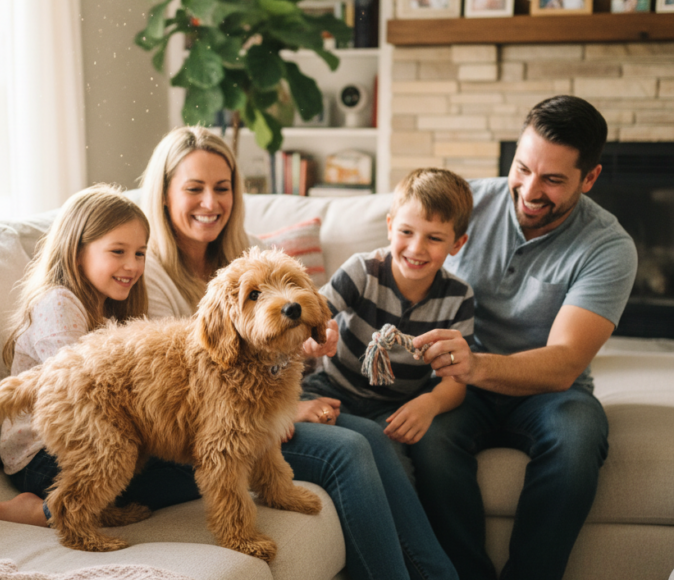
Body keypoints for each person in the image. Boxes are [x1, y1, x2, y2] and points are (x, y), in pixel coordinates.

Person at [140, 126, 458, 580]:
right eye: (194, 188)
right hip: (208, 429)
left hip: (268, 400)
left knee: (372, 436)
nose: (211, 202)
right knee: (349, 450)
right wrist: (290, 409)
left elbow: (283, 337)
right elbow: (178, 382)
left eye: (222, 188)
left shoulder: (243, 251)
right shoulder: (147, 270)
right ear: (164, 194)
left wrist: (310, 347)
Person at [408, 95, 638, 580]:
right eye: (523, 168)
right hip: (459, 387)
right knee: (428, 437)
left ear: (590, 178)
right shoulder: (466, 205)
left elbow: (564, 362)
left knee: (577, 437)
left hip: (549, 393)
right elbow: (397, 263)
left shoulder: (609, 247)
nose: (530, 191)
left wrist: (476, 364)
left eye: (553, 179)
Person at [0, 183, 154, 526]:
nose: (132, 265)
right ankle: (44, 510)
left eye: (140, 253)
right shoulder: (58, 303)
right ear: (76, 251)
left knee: (199, 458)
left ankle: (88, 506)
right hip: (42, 455)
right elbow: (81, 393)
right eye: (118, 251)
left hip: (101, 441)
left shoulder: (111, 309)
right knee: (192, 471)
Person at [302, 168, 474, 485]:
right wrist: (316, 336)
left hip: (395, 407)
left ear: (457, 244)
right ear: (390, 226)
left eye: (434, 238)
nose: (417, 248)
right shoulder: (362, 270)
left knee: (396, 469)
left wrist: (431, 403)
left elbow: (456, 380)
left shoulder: (459, 298)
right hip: (332, 389)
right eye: (407, 232)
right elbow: (313, 315)